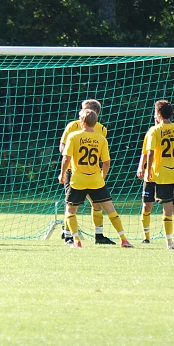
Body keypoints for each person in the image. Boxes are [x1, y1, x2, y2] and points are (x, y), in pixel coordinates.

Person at [59, 109, 133, 248]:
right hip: (96, 180)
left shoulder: (73, 136)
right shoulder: (101, 138)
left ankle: (77, 241)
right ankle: (124, 239)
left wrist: (62, 174)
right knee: (110, 209)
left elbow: (66, 158)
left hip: (78, 180)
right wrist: (102, 178)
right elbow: (106, 162)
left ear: (81, 122)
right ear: (95, 122)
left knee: (70, 210)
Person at [58, 99, 115, 245]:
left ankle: (99, 235)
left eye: (83, 110)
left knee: (97, 204)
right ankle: (68, 234)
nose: (80, 113)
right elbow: (62, 147)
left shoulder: (102, 129)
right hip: (74, 172)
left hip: (93, 173)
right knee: (70, 203)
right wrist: (71, 157)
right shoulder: (72, 126)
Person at [144, 100, 174, 250]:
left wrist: (148, 170)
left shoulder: (155, 130)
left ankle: (169, 243)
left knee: (167, 209)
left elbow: (150, 152)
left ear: (158, 114)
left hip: (163, 174)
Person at [136, 119, 174, 244]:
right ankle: (146, 237)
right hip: (151, 176)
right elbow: (146, 152)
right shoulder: (152, 132)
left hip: (167, 176)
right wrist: (141, 167)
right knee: (147, 206)